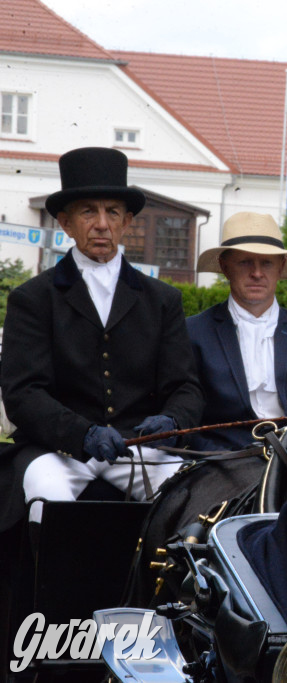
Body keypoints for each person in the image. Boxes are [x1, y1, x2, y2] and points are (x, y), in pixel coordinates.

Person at [0, 147, 204, 531]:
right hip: (57, 451)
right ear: (66, 223)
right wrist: (83, 434)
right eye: (88, 212)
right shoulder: (32, 298)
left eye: (112, 212)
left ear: (127, 222)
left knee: (189, 493)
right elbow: (23, 393)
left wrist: (173, 419)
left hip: (136, 448)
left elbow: (185, 387)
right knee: (46, 493)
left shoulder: (162, 299)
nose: (101, 224)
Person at [186, 212, 287, 451]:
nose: (257, 273)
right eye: (245, 262)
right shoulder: (193, 333)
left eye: (267, 263)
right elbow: (185, 413)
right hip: (218, 460)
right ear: (225, 267)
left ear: (281, 267)